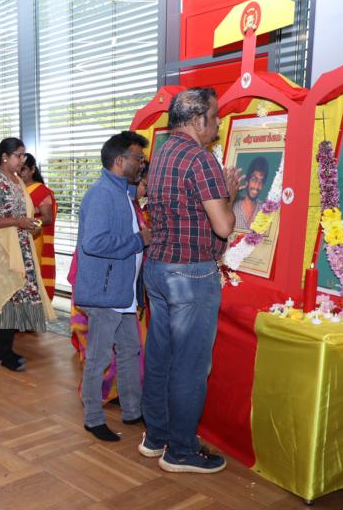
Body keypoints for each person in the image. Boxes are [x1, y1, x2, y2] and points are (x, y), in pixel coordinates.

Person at [143, 87, 241, 474]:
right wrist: (228, 195)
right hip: (191, 274)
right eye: (214, 117)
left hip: (158, 267)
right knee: (190, 365)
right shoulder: (201, 159)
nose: (217, 125)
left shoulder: (163, 151)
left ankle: (156, 437)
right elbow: (223, 226)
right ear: (198, 119)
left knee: (160, 357)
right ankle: (181, 451)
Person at [74, 131, 150, 442]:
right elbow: (93, 243)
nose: (141, 163)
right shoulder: (101, 194)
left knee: (130, 350)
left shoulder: (122, 193)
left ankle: (133, 411)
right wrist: (138, 241)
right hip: (104, 294)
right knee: (99, 357)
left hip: (121, 293)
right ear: (120, 161)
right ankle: (93, 419)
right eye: (138, 158)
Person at [0, 138, 54, 371]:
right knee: (6, 297)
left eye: (23, 155)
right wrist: (17, 222)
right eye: (19, 155)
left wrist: (30, 224)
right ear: (4, 157)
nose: (22, 160)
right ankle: (5, 354)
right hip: (0, 250)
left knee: (18, 297)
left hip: (21, 247)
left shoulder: (18, 181)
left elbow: (24, 214)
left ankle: (6, 349)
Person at [21, 154, 58, 300]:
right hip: (18, 239)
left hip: (35, 240)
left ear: (32, 170)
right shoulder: (15, 188)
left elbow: (48, 218)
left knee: (33, 278)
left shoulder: (41, 191)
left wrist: (26, 222)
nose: (20, 173)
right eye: (19, 169)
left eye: (24, 169)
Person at [232, 156, 268, 229]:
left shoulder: (264, 210)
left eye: (261, 181)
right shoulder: (233, 208)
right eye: (254, 179)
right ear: (247, 180)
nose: (257, 186)